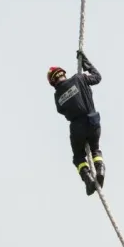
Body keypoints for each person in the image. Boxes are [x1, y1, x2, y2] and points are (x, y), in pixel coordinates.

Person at [48, 50, 105, 195]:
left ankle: (88, 179)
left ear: (53, 82)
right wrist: (85, 63)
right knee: (95, 149)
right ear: (63, 74)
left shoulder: (57, 97)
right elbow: (97, 77)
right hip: (93, 122)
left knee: (79, 157)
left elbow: (61, 111)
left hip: (77, 128)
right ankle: (100, 169)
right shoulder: (80, 78)